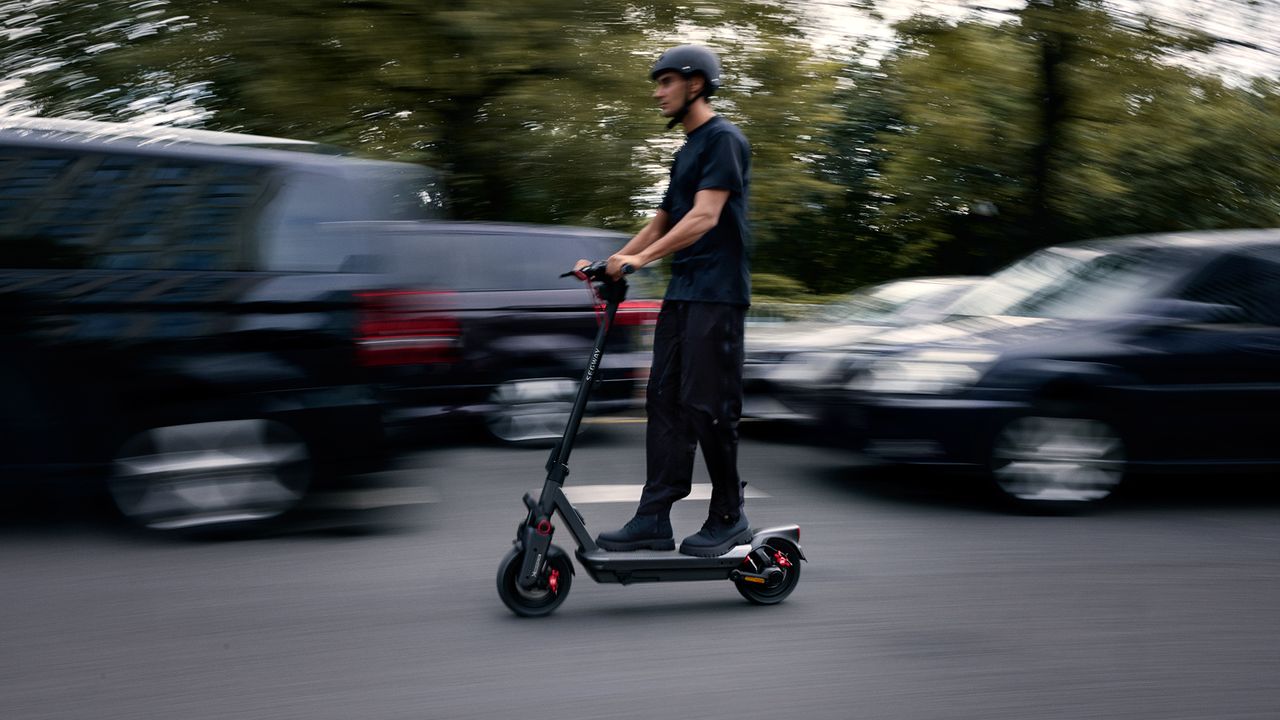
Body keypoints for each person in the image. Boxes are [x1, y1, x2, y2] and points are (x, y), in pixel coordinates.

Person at [583, 44, 753, 558]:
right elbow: (663, 219)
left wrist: (642, 261)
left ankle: (729, 514)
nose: (657, 92)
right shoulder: (685, 151)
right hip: (684, 293)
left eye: (666, 82)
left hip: (718, 295)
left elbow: (704, 216)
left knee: (707, 404)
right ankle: (653, 517)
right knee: (663, 400)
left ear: (695, 84)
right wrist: (612, 258)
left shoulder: (724, 139)